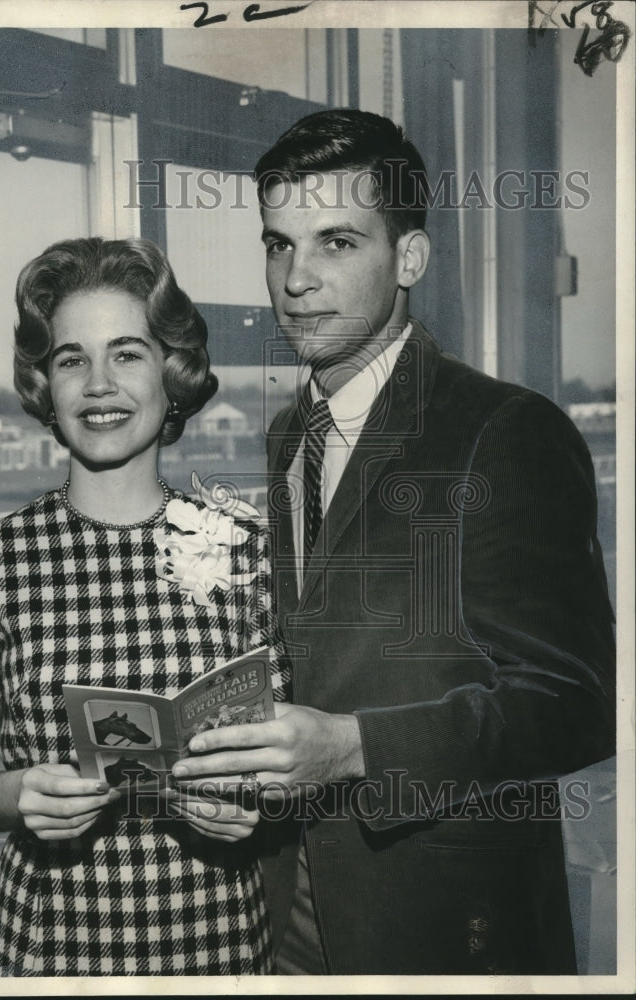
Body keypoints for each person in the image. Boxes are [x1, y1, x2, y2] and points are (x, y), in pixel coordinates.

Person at [169, 110, 616, 974]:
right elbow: (322, 664)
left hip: (442, 917)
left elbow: (577, 702)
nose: (296, 279)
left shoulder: (504, 429)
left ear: (409, 258)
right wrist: (242, 777)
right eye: (278, 244)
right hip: (289, 904)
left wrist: (355, 747)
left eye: (336, 242)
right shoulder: (289, 435)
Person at [0, 236, 289, 976]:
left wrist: (257, 801)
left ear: (171, 373)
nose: (98, 384)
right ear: (45, 386)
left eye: (127, 353)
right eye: (70, 359)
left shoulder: (248, 547)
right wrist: (16, 795)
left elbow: (290, 763)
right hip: (50, 952)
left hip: (217, 946)